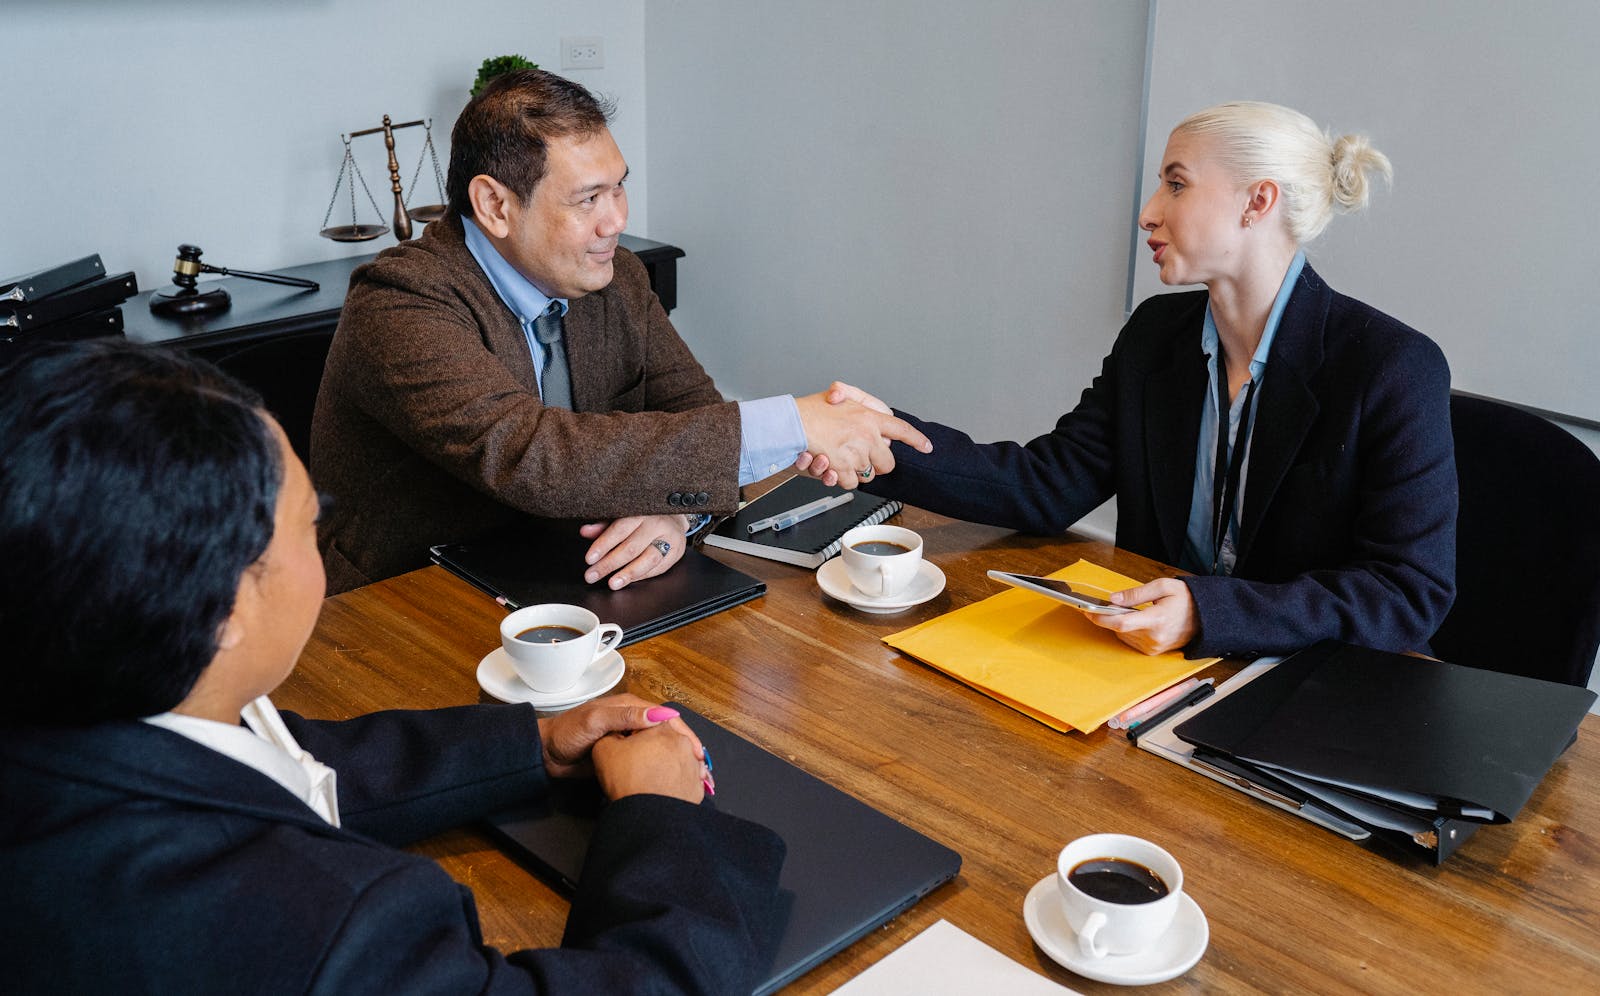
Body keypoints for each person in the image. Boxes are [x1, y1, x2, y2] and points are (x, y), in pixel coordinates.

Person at [0, 340, 785, 992]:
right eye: (309, 527)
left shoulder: (66, 705)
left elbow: (277, 760)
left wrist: (532, 746)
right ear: (224, 610)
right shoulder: (332, 923)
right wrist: (661, 817)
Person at [812, 102, 1455, 659]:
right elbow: (1046, 486)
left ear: (1258, 201)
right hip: (1148, 677)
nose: (1148, 213)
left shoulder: (1392, 367)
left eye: (1176, 185)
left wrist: (1209, 613)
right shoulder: (1156, 335)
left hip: (1309, 695)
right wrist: (878, 438)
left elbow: (1406, 592)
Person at [312, 68, 929, 594]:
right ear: (495, 205)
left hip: (575, 579)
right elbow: (530, 454)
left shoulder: (620, 278)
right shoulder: (401, 301)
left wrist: (672, 520)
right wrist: (794, 423)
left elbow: (695, 417)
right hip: (403, 605)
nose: (618, 219)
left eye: (620, 186)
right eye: (588, 199)